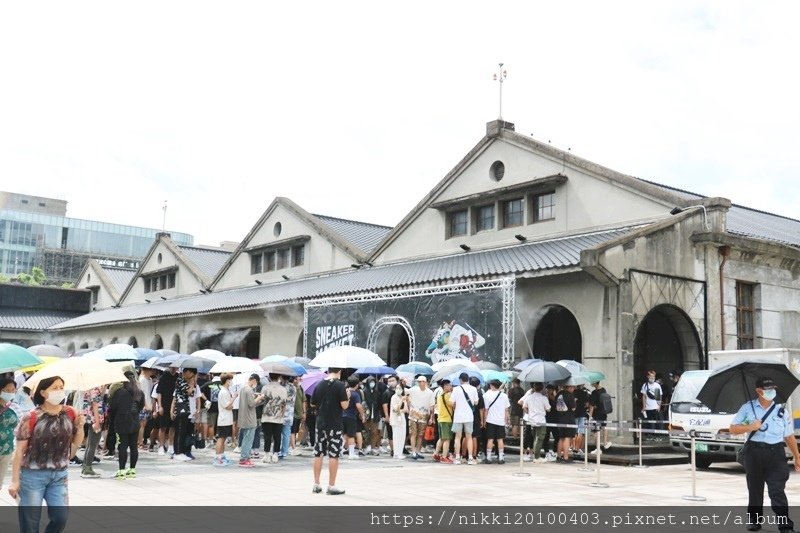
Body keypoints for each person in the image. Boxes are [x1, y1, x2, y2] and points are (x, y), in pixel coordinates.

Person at [8, 376, 85, 533]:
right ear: (43, 392)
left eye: (61, 387)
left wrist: (81, 426)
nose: (59, 391)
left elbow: (76, 441)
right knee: (30, 522)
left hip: (59, 475)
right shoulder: (31, 417)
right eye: (54, 388)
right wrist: (15, 481)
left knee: (60, 517)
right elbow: (20, 451)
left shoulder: (70, 413)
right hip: (32, 475)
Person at [730, 377, 800, 533]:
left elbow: (788, 436)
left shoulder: (781, 411)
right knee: (755, 489)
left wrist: (797, 456)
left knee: (777, 491)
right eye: (767, 389)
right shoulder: (747, 408)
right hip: (754, 453)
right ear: (758, 391)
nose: (771, 392)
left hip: (776, 454)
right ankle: (754, 520)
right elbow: (733, 429)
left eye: (772, 388)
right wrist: (750, 426)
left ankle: (785, 525)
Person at [310, 367, 349, 495]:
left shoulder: (319, 384)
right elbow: (344, 406)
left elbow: (312, 403)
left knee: (318, 453)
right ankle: (331, 485)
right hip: (334, 423)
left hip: (320, 423)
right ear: (339, 371)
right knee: (334, 454)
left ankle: (316, 484)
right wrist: (347, 396)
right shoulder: (340, 385)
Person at [110, 371, 145, 479]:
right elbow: (141, 406)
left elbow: (113, 408)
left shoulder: (119, 392)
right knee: (134, 447)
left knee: (122, 446)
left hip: (121, 422)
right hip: (134, 421)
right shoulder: (139, 392)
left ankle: (121, 471)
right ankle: (132, 470)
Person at [450, 372, 479, 465]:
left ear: (460, 380)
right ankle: (470, 458)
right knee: (469, 437)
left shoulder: (456, 389)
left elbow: (451, 402)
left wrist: (456, 405)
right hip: (469, 416)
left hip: (458, 416)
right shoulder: (474, 389)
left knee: (458, 437)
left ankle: (457, 457)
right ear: (468, 379)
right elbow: (476, 402)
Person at [261, 374, 288, 464]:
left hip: (266, 416)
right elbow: (284, 404)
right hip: (278, 417)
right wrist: (282, 415)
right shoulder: (283, 389)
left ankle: (267, 455)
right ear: (279, 377)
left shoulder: (265, 388)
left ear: (269, 377)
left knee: (267, 436)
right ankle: (275, 454)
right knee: (277, 436)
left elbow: (261, 401)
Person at [406, 375, 435, 460]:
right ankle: (413, 451)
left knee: (420, 435)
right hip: (413, 415)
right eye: (419, 382)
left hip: (423, 416)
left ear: (425, 382)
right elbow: (405, 394)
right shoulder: (413, 390)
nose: (421, 383)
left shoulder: (430, 392)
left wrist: (431, 417)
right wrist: (408, 405)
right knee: (413, 433)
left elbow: (432, 405)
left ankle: (418, 451)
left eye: (422, 381)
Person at [171, 367, 197, 461]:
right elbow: (189, 391)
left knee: (183, 432)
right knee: (179, 431)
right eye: (192, 375)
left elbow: (191, 394)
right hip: (180, 408)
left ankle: (180, 451)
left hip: (185, 409)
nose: (192, 377)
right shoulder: (180, 380)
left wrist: (192, 384)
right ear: (188, 372)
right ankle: (177, 452)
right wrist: (192, 383)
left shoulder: (185, 382)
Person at [237, 373, 262, 468]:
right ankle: (244, 459)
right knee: (248, 439)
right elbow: (251, 404)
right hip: (250, 418)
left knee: (246, 439)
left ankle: (245, 458)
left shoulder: (243, 389)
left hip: (244, 417)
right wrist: (259, 398)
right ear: (254, 380)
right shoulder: (249, 390)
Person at [521, 382, 551, 462]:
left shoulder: (529, 397)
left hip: (531, 420)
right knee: (540, 438)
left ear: (534, 387)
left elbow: (524, 407)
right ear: (542, 389)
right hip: (541, 420)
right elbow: (548, 409)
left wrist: (529, 412)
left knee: (534, 438)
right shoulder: (544, 398)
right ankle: (537, 457)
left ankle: (535, 455)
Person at [482, 379, 510, 464]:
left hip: (490, 420)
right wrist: (506, 420)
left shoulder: (486, 395)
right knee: (500, 439)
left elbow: (485, 410)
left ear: (492, 385)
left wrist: (484, 421)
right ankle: (501, 458)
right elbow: (506, 410)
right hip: (501, 421)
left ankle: (489, 457)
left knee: (490, 439)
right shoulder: (504, 396)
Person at [79, 386, 104, 478]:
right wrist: (97, 422)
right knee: (93, 444)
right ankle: (87, 468)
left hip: (90, 418)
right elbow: (95, 405)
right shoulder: (95, 390)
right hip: (95, 419)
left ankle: (86, 467)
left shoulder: (88, 389)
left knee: (90, 444)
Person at [212, 374, 235, 466]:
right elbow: (228, 406)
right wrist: (234, 398)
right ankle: (217, 458)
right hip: (224, 419)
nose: (231, 381)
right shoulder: (223, 392)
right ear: (227, 380)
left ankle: (221, 456)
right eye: (230, 379)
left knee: (224, 438)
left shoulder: (226, 390)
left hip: (227, 419)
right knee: (221, 438)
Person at [0, 378, 19, 490]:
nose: (11, 393)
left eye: (13, 390)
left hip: (6, 450)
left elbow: (17, 425)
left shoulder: (13, 406)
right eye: (7, 390)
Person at [155, 366, 177, 456]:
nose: (173, 368)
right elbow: (159, 392)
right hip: (164, 404)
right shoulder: (164, 376)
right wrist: (159, 406)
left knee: (173, 426)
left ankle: (171, 445)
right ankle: (161, 446)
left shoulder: (178, 377)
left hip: (174, 404)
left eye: (175, 367)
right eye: (172, 367)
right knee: (162, 427)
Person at [343, 375, 365, 459]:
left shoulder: (345, 392)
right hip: (351, 416)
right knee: (351, 435)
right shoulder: (355, 394)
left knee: (345, 434)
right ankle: (351, 454)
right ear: (357, 385)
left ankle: (340, 449)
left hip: (342, 415)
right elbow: (359, 406)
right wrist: (362, 415)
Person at [433, 379, 453, 463]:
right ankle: (444, 457)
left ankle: (436, 454)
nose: (451, 387)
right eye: (449, 385)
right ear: (445, 386)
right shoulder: (447, 395)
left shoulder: (439, 395)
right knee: (447, 439)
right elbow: (453, 404)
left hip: (441, 419)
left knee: (441, 438)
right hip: (446, 419)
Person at [361, 376, 383, 455]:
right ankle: (367, 447)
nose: (372, 384)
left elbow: (379, 404)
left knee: (374, 432)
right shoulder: (364, 391)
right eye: (370, 382)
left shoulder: (377, 392)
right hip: (367, 415)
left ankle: (373, 447)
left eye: (373, 382)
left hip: (375, 415)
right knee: (366, 432)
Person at [554, 384, 576, 463]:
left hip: (559, 419)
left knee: (561, 438)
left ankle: (559, 456)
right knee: (567, 437)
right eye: (573, 387)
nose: (574, 389)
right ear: (570, 387)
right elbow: (573, 408)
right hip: (569, 419)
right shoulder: (570, 395)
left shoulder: (558, 394)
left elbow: (555, 407)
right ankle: (566, 457)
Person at [588, 380, 612, 451]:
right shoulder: (604, 390)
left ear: (595, 383)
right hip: (603, 412)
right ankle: (605, 443)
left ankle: (598, 449)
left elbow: (592, 406)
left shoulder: (594, 393)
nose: (591, 383)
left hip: (596, 414)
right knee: (604, 426)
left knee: (595, 431)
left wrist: (590, 416)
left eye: (592, 382)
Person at [640, 370, 663, 441]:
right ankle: (649, 435)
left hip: (655, 407)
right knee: (648, 422)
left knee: (657, 422)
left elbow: (658, 397)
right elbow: (644, 396)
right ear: (648, 376)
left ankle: (658, 436)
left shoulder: (657, 385)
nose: (652, 378)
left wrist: (659, 406)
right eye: (651, 376)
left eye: (653, 376)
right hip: (648, 407)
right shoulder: (645, 385)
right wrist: (644, 406)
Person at [389, 382, 408, 459]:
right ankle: (396, 453)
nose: (398, 390)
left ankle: (400, 452)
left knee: (402, 436)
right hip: (395, 419)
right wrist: (401, 402)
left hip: (402, 418)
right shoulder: (394, 397)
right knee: (396, 436)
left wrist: (404, 400)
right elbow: (396, 409)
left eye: (400, 388)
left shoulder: (402, 397)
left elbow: (406, 410)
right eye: (397, 388)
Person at [573, 384, 590, 455]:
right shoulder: (584, 393)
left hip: (574, 414)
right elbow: (587, 404)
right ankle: (577, 449)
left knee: (574, 432)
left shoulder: (573, 393)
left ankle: (573, 448)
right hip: (582, 413)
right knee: (580, 432)